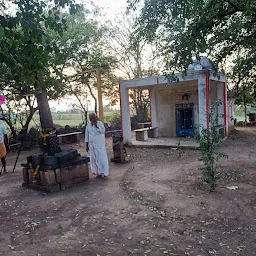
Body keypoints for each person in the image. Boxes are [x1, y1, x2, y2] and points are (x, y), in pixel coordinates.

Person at [85, 113, 109, 179]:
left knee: (102, 158)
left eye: (93, 118)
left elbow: (103, 131)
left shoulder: (100, 123)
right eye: (91, 118)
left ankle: (105, 173)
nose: (92, 119)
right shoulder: (88, 126)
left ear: (96, 118)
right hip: (92, 145)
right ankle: (98, 173)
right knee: (94, 159)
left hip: (100, 144)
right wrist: (86, 145)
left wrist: (96, 126)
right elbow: (86, 136)